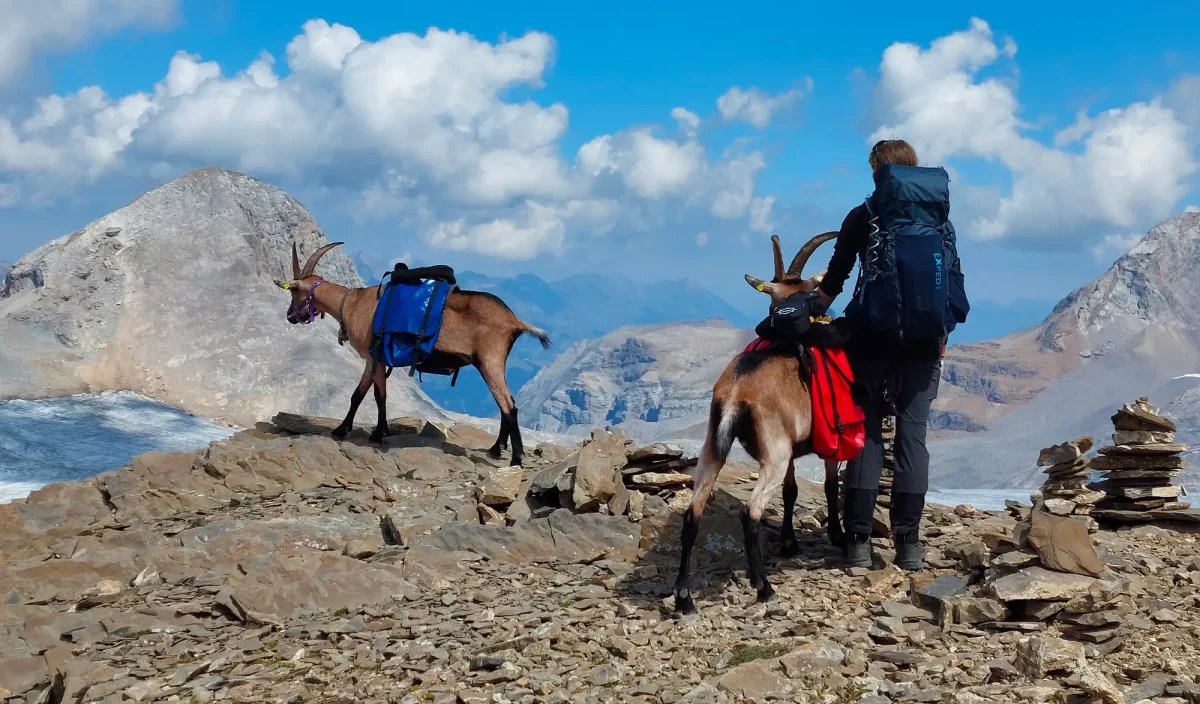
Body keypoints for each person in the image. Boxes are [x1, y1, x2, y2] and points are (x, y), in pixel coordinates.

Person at [811, 139, 970, 570]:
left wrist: (808, 312)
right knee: (912, 437)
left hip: (870, 341)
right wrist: (940, 334)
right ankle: (909, 545)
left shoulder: (864, 215)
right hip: (924, 345)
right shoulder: (941, 221)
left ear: (878, 169)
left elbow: (835, 282)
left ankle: (859, 543)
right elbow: (952, 283)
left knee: (866, 435)